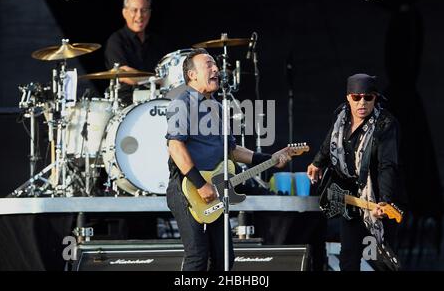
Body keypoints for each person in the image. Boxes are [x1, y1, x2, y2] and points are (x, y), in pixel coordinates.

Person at [165, 48, 295, 271]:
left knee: (224, 259)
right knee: (197, 258)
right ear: (192, 75)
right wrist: (200, 183)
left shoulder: (217, 106)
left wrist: (270, 158)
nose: (216, 69)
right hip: (187, 188)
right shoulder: (182, 103)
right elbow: (175, 147)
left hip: (215, 189)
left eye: (215, 64)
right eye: (208, 65)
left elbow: (231, 150)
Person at [307, 73, 407, 271]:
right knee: (348, 259)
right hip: (350, 198)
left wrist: (384, 200)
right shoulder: (341, 117)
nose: (362, 102)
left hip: (376, 197)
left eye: (368, 97)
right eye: (356, 97)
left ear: (375, 98)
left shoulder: (385, 124)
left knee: (383, 262)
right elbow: (330, 142)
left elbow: (387, 165)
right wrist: (317, 162)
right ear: (348, 98)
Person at [104, 0, 166, 105]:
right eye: (134, 10)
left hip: (155, 100)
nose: (139, 15)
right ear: (124, 13)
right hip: (127, 103)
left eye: (144, 10)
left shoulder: (158, 42)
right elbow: (123, 74)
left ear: (150, 13)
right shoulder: (116, 40)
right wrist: (154, 79)